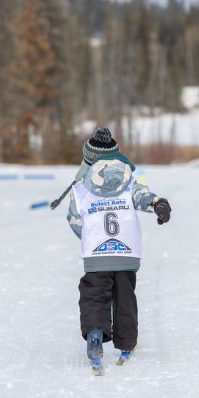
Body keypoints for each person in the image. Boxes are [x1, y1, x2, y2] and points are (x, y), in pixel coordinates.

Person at [67, 128, 171, 374]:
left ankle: (95, 332)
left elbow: (73, 219)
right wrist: (159, 205)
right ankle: (126, 342)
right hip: (126, 252)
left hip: (95, 252)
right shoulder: (129, 182)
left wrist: (90, 238)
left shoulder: (80, 187)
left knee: (94, 294)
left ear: (88, 159)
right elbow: (146, 197)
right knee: (125, 296)